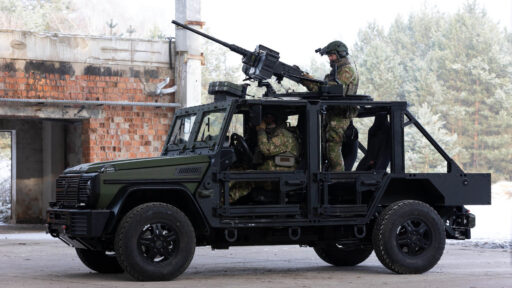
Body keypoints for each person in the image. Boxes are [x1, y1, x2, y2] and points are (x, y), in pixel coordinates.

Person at [302, 40, 359, 171]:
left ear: (341, 54)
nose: (330, 58)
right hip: (332, 112)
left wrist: (309, 81)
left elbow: (331, 90)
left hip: (341, 114)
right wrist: (308, 80)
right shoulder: (335, 72)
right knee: (324, 144)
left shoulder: (347, 71)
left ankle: (337, 177)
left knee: (333, 144)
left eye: (332, 55)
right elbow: (324, 88)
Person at [229, 112, 299, 203]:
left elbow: (266, 149)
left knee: (246, 180)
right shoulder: (272, 133)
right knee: (235, 171)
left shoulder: (283, 134)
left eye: (265, 117)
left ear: (273, 119)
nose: (262, 121)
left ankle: (224, 201)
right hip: (272, 172)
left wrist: (261, 130)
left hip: (281, 176)